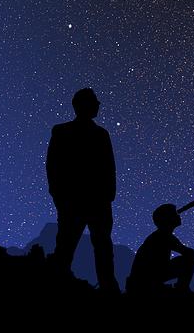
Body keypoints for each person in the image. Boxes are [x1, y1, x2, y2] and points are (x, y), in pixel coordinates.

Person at [46, 87, 119, 293]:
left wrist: (108, 196)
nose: (98, 105)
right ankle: (106, 288)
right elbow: (53, 166)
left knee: (94, 246)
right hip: (81, 201)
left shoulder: (97, 134)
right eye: (94, 101)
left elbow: (108, 166)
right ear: (82, 105)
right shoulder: (64, 131)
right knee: (74, 246)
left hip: (92, 201)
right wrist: (58, 196)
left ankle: (106, 287)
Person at [126, 203, 194, 296]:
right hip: (142, 283)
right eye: (174, 214)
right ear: (168, 219)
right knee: (190, 255)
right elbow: (188, 253)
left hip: (141, 281)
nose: (178, 215)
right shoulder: (163, 236)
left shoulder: (162, 235)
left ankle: (181, 288)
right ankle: (182, 289)